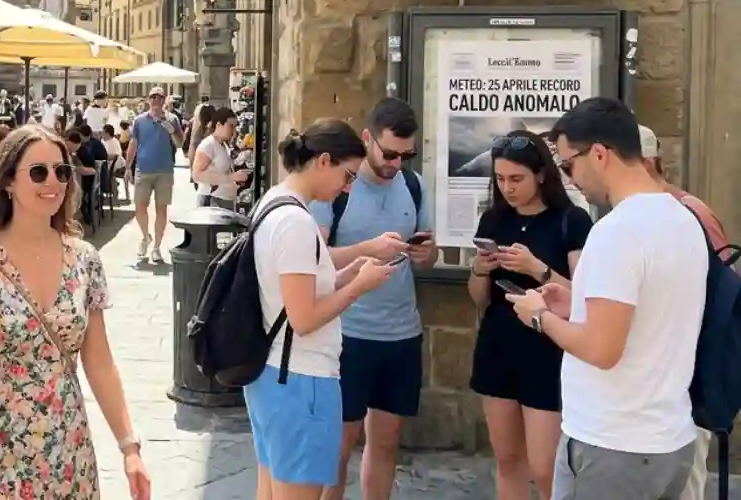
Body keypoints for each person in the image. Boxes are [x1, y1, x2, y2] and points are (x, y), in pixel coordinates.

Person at [506, 98, 706, 500]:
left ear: (599, 154)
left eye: (568, 166)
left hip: (612, 446)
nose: (569, 180)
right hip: (669, 441)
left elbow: (601, 349)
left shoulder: (616, 231)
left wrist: (540, 317)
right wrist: (577, 304)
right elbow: (651, 309)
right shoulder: (684, 220)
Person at [0, 124, 151, 499]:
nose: (53, 182)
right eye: (38, 172)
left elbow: (99, 361)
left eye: (61, 171)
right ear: (8, 182)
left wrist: (129, 446)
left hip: (69, 451)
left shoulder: (84, 259)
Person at [246, 120, 398, 496]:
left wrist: (346, 275)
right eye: (348, 176)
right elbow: (304, 318)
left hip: (274, 374)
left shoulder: (273, 202)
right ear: (324, 161)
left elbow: (294, 291)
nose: (347, 188)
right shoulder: (296, 221)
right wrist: (359, 286)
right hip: (302, 381)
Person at [311, 98, 436, 500]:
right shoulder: (338, 187)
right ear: (367, 139)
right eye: (389, 153)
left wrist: (425, 253)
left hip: (401, 333)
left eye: (406, 155)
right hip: (348, 333)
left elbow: (429, 257)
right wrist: (368, 249)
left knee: (386, 441)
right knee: (338, 444)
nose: (396, 163)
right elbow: (314, 258)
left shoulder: (414, 186)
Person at [467, 131, 591, 499]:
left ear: (540, 174)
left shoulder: (571, 220)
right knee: (507, 460)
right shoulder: (493, 220)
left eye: (516, 179)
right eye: (500, 179)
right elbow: (479, 299)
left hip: (547, 351)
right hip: (498, 346)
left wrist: (538, 269)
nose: (507, 188)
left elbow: (584, 297)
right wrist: (479, 270)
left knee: (545, 466)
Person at [638, 124, 729, 500]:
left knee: (684, 484)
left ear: (645, 163)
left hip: (687, 376)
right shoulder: (631, 213)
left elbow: (723, 292)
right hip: (647, 382)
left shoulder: (691, 212)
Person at [125, 87, 184, 265]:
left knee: (161, 209)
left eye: (159, 97)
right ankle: (145, 237)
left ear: (164, 100)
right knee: (139, 207)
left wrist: (171, 130)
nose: (156, 100)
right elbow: (133, 143)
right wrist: (128, 167)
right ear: (148, 100)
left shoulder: (172, 119)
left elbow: (180, 143)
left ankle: (157, 247)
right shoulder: (139, 120)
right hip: (143, 168)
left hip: (164, 170)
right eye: (153, 97)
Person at [191, 106, 249, 210]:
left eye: (235, 127)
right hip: (212, 200)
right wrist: (231, 178)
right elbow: (197, 175)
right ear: (218, 125)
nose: (233, 131)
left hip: (223, 200)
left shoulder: (223, 145)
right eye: (230, 126)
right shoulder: (208, 145)